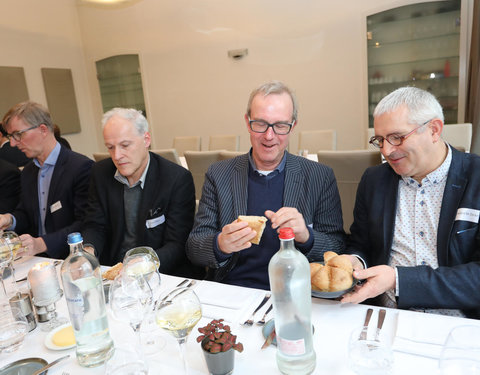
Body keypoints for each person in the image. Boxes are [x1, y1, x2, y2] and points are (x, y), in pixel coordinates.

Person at [186, 81, 345, 290]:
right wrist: (220, 244)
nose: (269, 136)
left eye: (280, 126)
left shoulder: (319, 176)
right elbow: (194, 247)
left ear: (293, 126)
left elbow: (337, 247)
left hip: (296, 290)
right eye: (260, 124)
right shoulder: (219, 174)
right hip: (234, 289)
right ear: (247, 121)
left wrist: (307, 237)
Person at [342, 87, 480, 319]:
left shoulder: (476, 177)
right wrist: (354, 261)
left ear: (434, 130)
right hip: (386, 315)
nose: (387, 151)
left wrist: (398, 279)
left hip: (458, 322)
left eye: (397, 137)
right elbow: (361, 244)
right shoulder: (374, 181)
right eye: (380, 140)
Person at [82, 108, 199, 277]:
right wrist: (88, 251)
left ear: (146, 139)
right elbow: (94, 224)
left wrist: (144, 264)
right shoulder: (100, 173)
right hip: (114, 273)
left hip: (160, 274)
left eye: (125, 145)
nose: (117, 155)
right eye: (110, 147)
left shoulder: (175, 179)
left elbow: (178, 244)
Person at [0, 101, 93, 259]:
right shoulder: (29, 171)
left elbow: (85, 224)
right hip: (38, 260)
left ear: (43, 129)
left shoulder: (81, 167)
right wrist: (9, 220)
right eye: (11, 137)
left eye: (18, 135)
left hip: (71, 259)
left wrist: (42, 243)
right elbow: (26, 213)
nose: (14, 143)